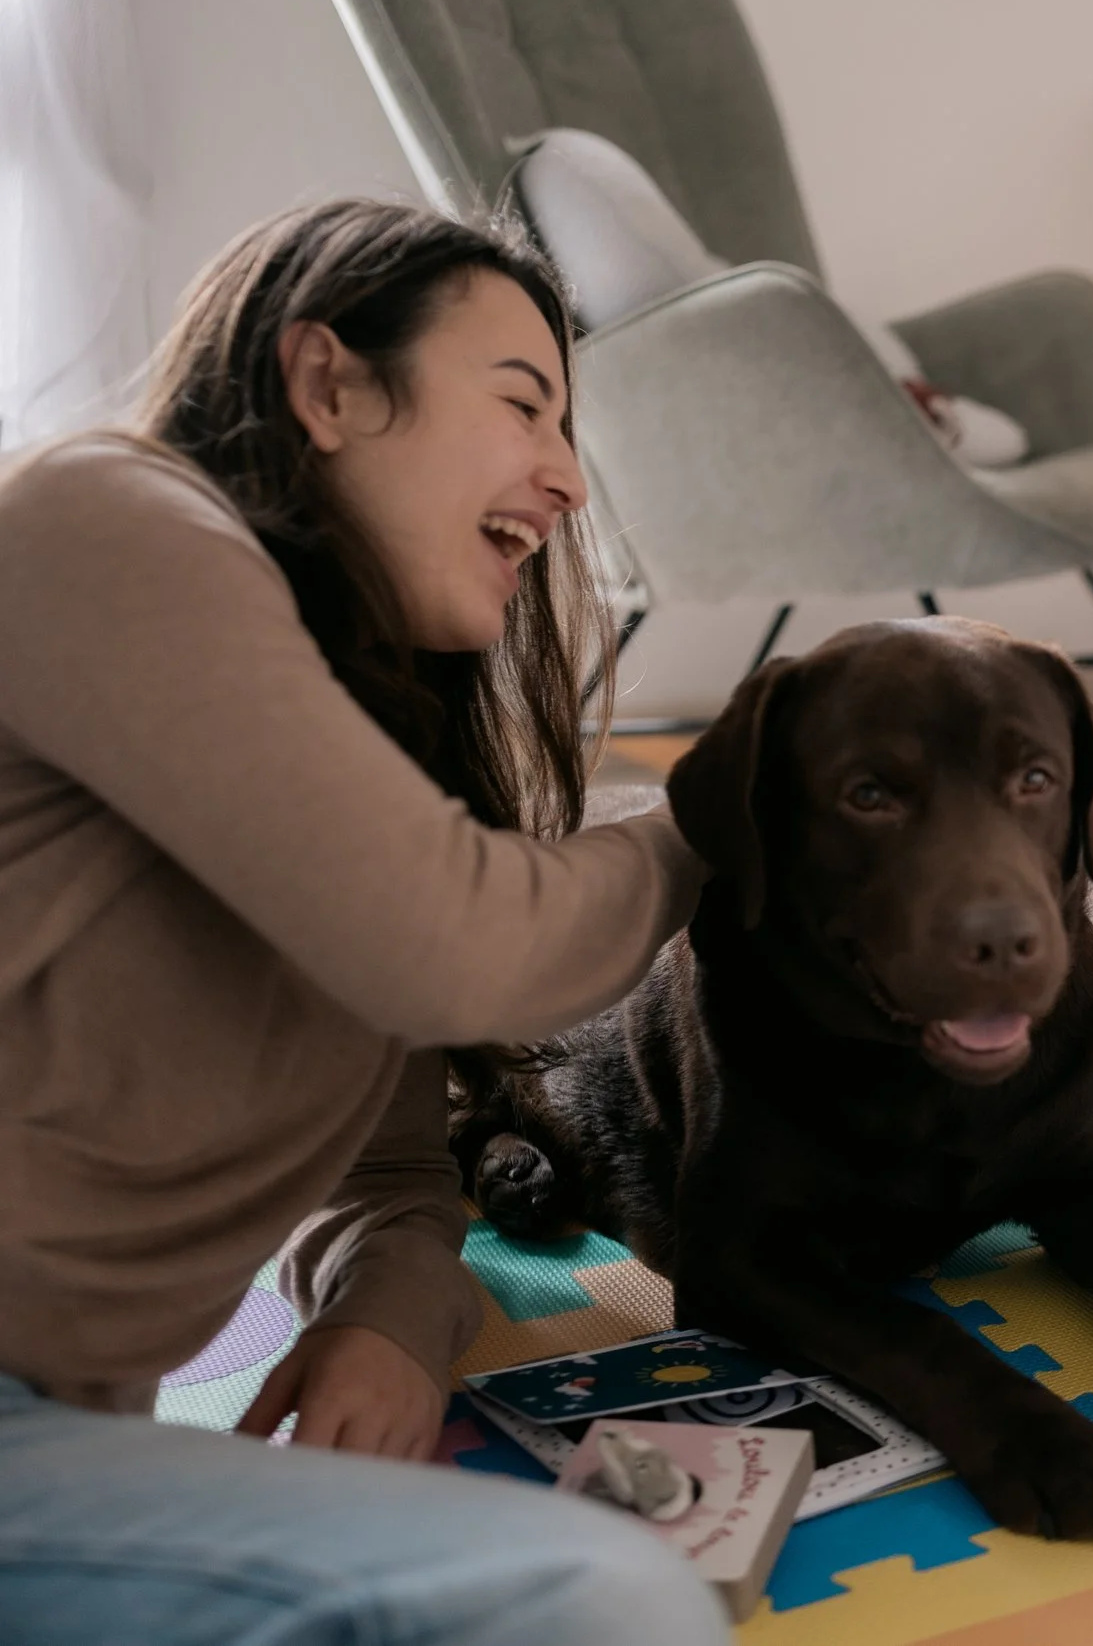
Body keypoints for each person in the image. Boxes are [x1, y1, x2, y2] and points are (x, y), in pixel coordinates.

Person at [0, 201, 727, 1644]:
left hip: (63, 1442)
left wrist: (386, 1311)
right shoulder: (102, 518)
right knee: (604, 1599)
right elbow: (461, 946)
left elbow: (391, 1159)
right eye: (524, 403)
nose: (572, 480)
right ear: (326, 384)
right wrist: (714, 823)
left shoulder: (361, 783)